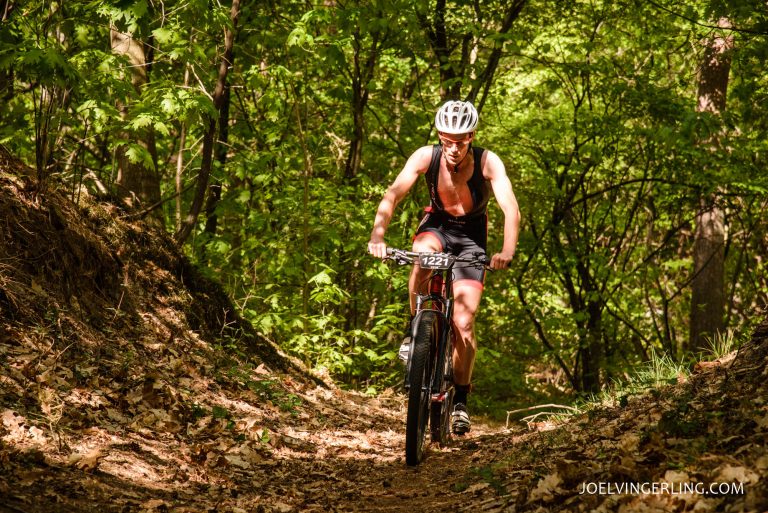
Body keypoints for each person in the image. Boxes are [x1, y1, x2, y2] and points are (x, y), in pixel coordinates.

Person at [368, 100, 520, 434]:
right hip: (436, 226)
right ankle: (415, 330)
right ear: (439, 135)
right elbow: (393, 194)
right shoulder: (426, 156)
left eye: (461, 140)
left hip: (471, 237)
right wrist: (378, 234)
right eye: (447, 139)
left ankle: (461, 402)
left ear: (472, 136)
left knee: (463, 324)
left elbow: (511, 209)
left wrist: (505, 251)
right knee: (421, 256)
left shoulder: (488, 162)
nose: (453, 147)